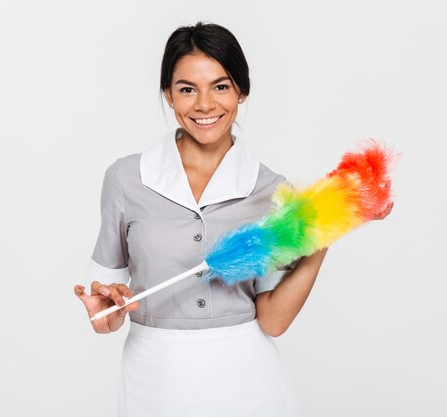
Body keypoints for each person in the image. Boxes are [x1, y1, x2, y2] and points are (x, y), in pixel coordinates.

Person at [74, 22, 393, 417]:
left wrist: (327, 226)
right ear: (169, 96)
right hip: (153, 382)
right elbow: (106, 309)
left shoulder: (271, 190)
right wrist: (105, 316)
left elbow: (273, 321)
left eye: (220, 86)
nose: (205, 104)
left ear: (241, 91)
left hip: (247, 385)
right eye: (187, 89)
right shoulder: (126, 179)